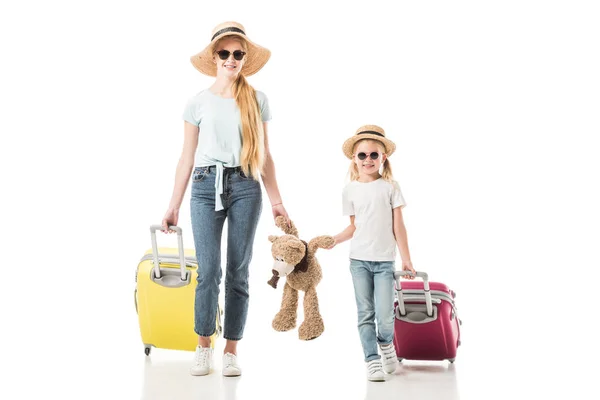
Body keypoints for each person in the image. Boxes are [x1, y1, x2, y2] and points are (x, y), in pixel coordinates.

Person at [160, 21, 289, 377]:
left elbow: (265, 155)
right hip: (204, 186)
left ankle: (231, 350)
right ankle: (204, 345)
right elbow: (186, 158)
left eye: (238, 54)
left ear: (244, 59)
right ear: (214, 57)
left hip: (246, 185)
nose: (231, 59)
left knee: (237, 271)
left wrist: (277, 202)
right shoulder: (197, 103)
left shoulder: (257, 99)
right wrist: (172, 206)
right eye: (225, 53)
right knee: (208, 271)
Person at [326, 124, 416, 382]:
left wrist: (407, 258)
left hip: (385, 261)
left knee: (385, 314)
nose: (368, 160)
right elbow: (354, 226)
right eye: (362, 155)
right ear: (354, 158)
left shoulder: (390, 187)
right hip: (359, 261)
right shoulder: (350, 190)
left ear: (383, 158)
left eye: (373, 155)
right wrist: (335, 239)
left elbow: (399, 225)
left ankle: (385, 343)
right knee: (365, 313)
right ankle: (371, 359)